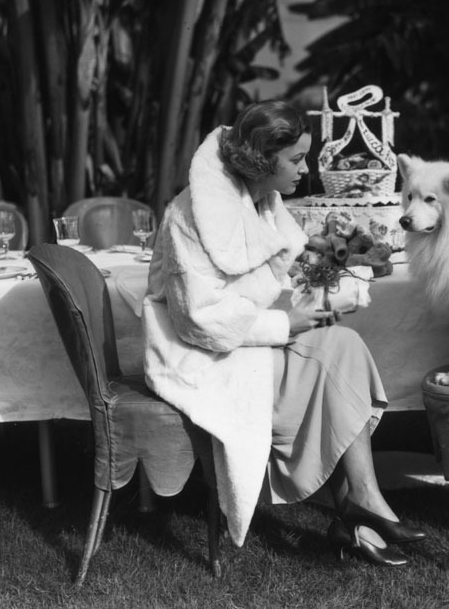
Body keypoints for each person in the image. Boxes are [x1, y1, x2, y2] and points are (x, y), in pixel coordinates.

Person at [142, 100, 425, 566]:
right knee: (334, 362)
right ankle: (359, 510)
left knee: (343, 345)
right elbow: (196, 320)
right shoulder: (192, 215)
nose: (306, 168)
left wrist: (335, 277)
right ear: (262, 159)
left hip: (238, 341)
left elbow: (287, 263)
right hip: (197, 356)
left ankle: (363, 504)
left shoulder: (262, 200)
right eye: (297, 158)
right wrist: (286, 323)